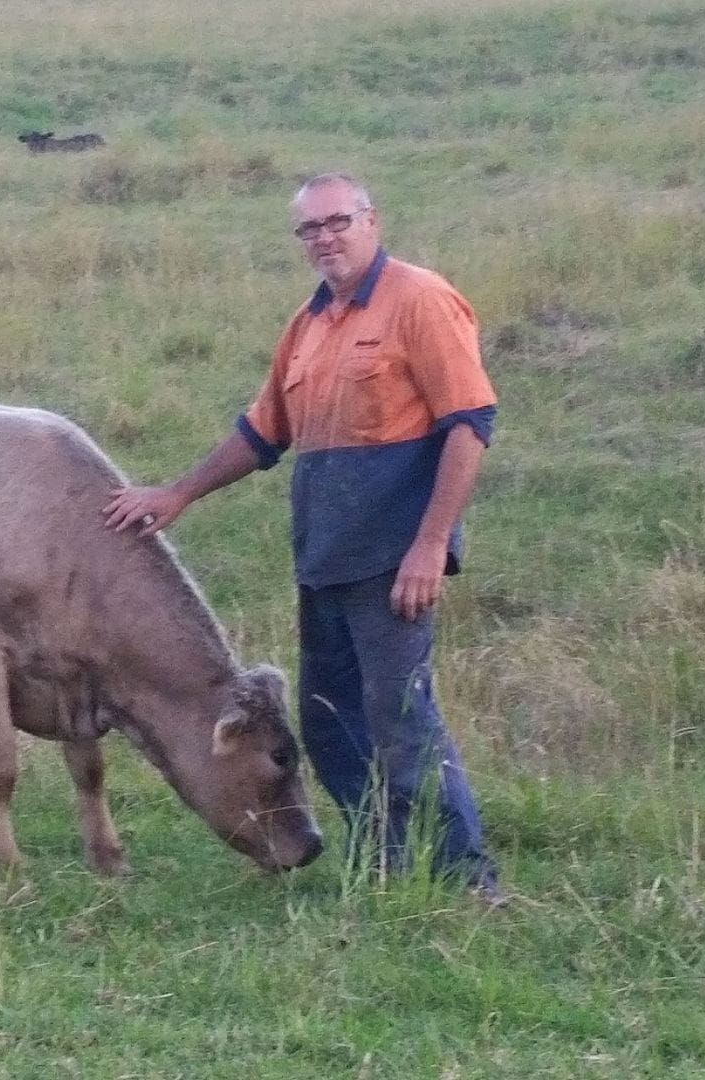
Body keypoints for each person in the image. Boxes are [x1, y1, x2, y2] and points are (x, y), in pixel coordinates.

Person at [102, 173, 504, 905]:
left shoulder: (420, 300)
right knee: (327, 724)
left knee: (402, 719)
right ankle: (384, 859)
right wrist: (179, 493)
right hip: (324, 561)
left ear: (371, 220)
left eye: (337, 222)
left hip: (392, 561)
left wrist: (430, 544)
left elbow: (470, 425)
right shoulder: (309, 324)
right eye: (310, 229)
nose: (324, 238)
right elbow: (262, 435)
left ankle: (467, 878)